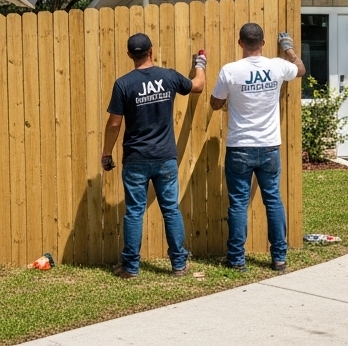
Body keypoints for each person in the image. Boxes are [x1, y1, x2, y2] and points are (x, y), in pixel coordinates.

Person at [101, 32, 207, 278]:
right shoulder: (168, 77)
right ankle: (179, 264)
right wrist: (200, 64)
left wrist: (106, 152)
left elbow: (114, 124)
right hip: (165, 157)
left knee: (134, 212)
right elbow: (198, 86)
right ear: (151, 51)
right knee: (170, 209)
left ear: (130, 55)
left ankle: (130, 267)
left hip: (136, 159)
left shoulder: (124, 84)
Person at [210, 23, 305, 272]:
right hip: (269, 146)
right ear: (263, 43)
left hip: (240, 147)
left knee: (239, 204)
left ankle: (237, 260)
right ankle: (279, 259)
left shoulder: (230, 70)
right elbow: (301, 70)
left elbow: (215, 104)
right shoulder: (277, 66)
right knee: (273, 201)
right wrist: (289, 50)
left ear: (240, 43)